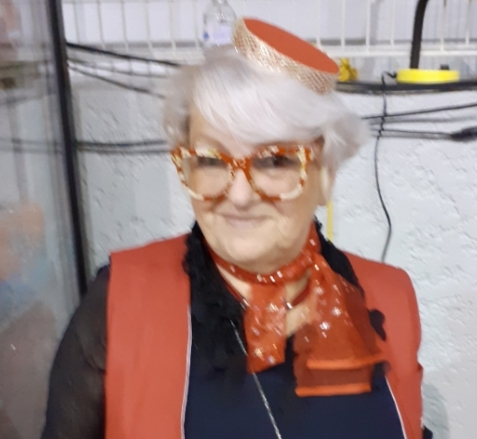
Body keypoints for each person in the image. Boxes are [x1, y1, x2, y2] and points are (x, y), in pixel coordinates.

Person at [41, 18, 432, 439]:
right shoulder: (120, 303)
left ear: (326, 175)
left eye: (275, 160)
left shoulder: (388, 299)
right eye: (211, 160)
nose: (239, 195)